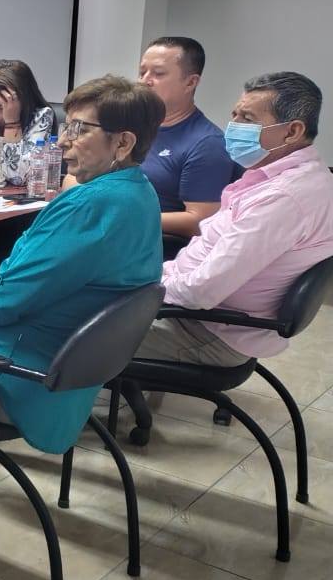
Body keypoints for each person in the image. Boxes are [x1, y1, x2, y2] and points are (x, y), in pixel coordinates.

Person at [0, 76, 165, 453]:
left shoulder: (91, 205)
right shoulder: (137, 192)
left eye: (79, 129)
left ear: (123, 142)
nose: (63, 140)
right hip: (60, 371)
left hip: (6, 372)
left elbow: (0, 304)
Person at [136, 72, 333, 366]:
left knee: (74, 331)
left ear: (292, 131)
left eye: (248, 119)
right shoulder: (290, 175)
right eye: (234, 115)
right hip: (197, 313)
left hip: (206, 331)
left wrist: (142, 283)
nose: (234, 127)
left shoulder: (283, 198)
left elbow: (201, 291)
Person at [137, 36, 237, 239]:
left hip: (153, 243)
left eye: (158, 73)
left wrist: (128, 217)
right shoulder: (133, 125)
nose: (145, 81)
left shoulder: (207, 144)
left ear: (190, 82)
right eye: (142, 72)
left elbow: (200, 221)